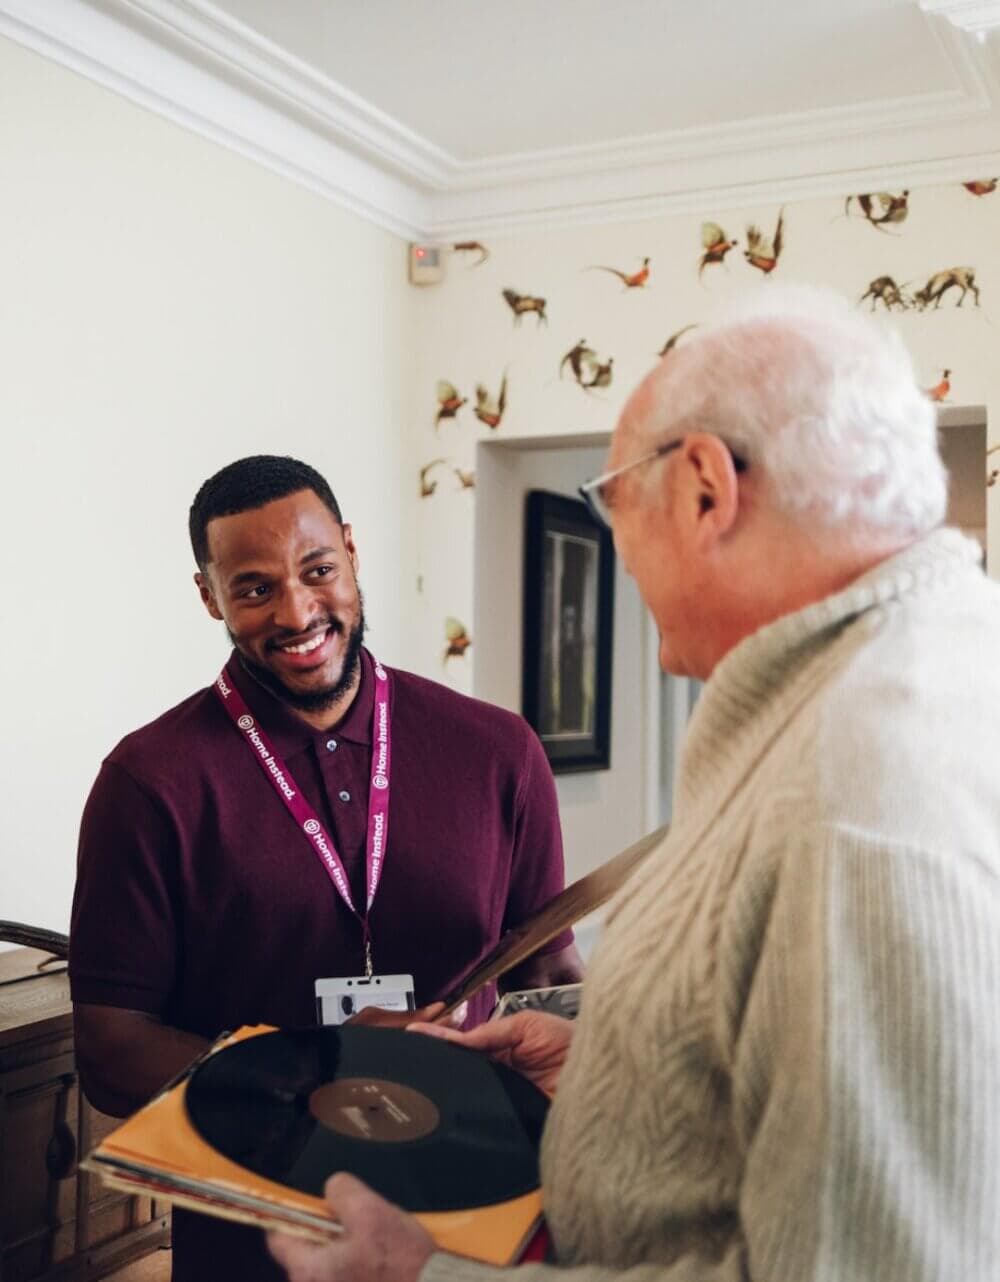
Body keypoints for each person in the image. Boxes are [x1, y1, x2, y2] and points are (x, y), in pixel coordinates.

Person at [268, 286, 1000, 1282]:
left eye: (611, 499)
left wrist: (421, 1277)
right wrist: (622, 1063)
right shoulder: (883, 692)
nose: (615, 540)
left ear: (704, 486)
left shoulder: (859, 796)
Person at [68, 455, 582, 1282]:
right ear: (210, 597)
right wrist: (317, 1071)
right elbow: (110, 1051)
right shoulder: (148, 782)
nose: (299, 611)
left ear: (349, 550)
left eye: (317, 571)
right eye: (255, 588)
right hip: (253, 1244)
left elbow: (552, 971)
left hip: (479, 1233)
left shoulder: (498, 752)